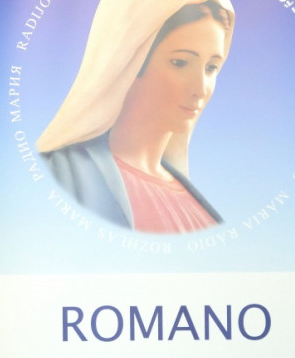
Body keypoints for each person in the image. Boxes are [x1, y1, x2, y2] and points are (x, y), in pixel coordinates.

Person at [36, 0, 234, 233]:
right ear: (130, 60)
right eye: (180, 63)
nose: (200, 89)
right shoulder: (61, 176)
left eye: (211, 68)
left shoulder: (201, 212)